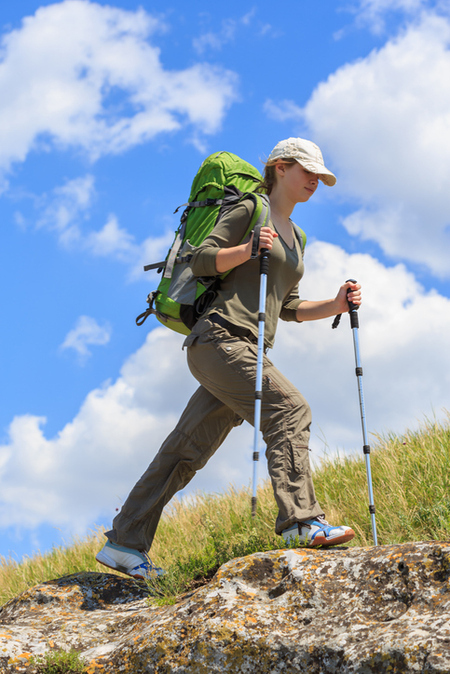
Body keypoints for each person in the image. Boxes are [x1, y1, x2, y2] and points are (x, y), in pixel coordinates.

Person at [96, 137, 361, 580]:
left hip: (248, 350)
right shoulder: (251, 211)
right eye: (307, 171)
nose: (315, 181)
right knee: (290, 410)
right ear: (280, 168)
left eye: (320, 176)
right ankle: (301, 522)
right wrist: (246, 249)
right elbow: (199, 260)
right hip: (218, 339)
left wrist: (335, 305)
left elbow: (288, 306)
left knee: (185, 450)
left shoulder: (298, 237)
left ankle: (125, 542)